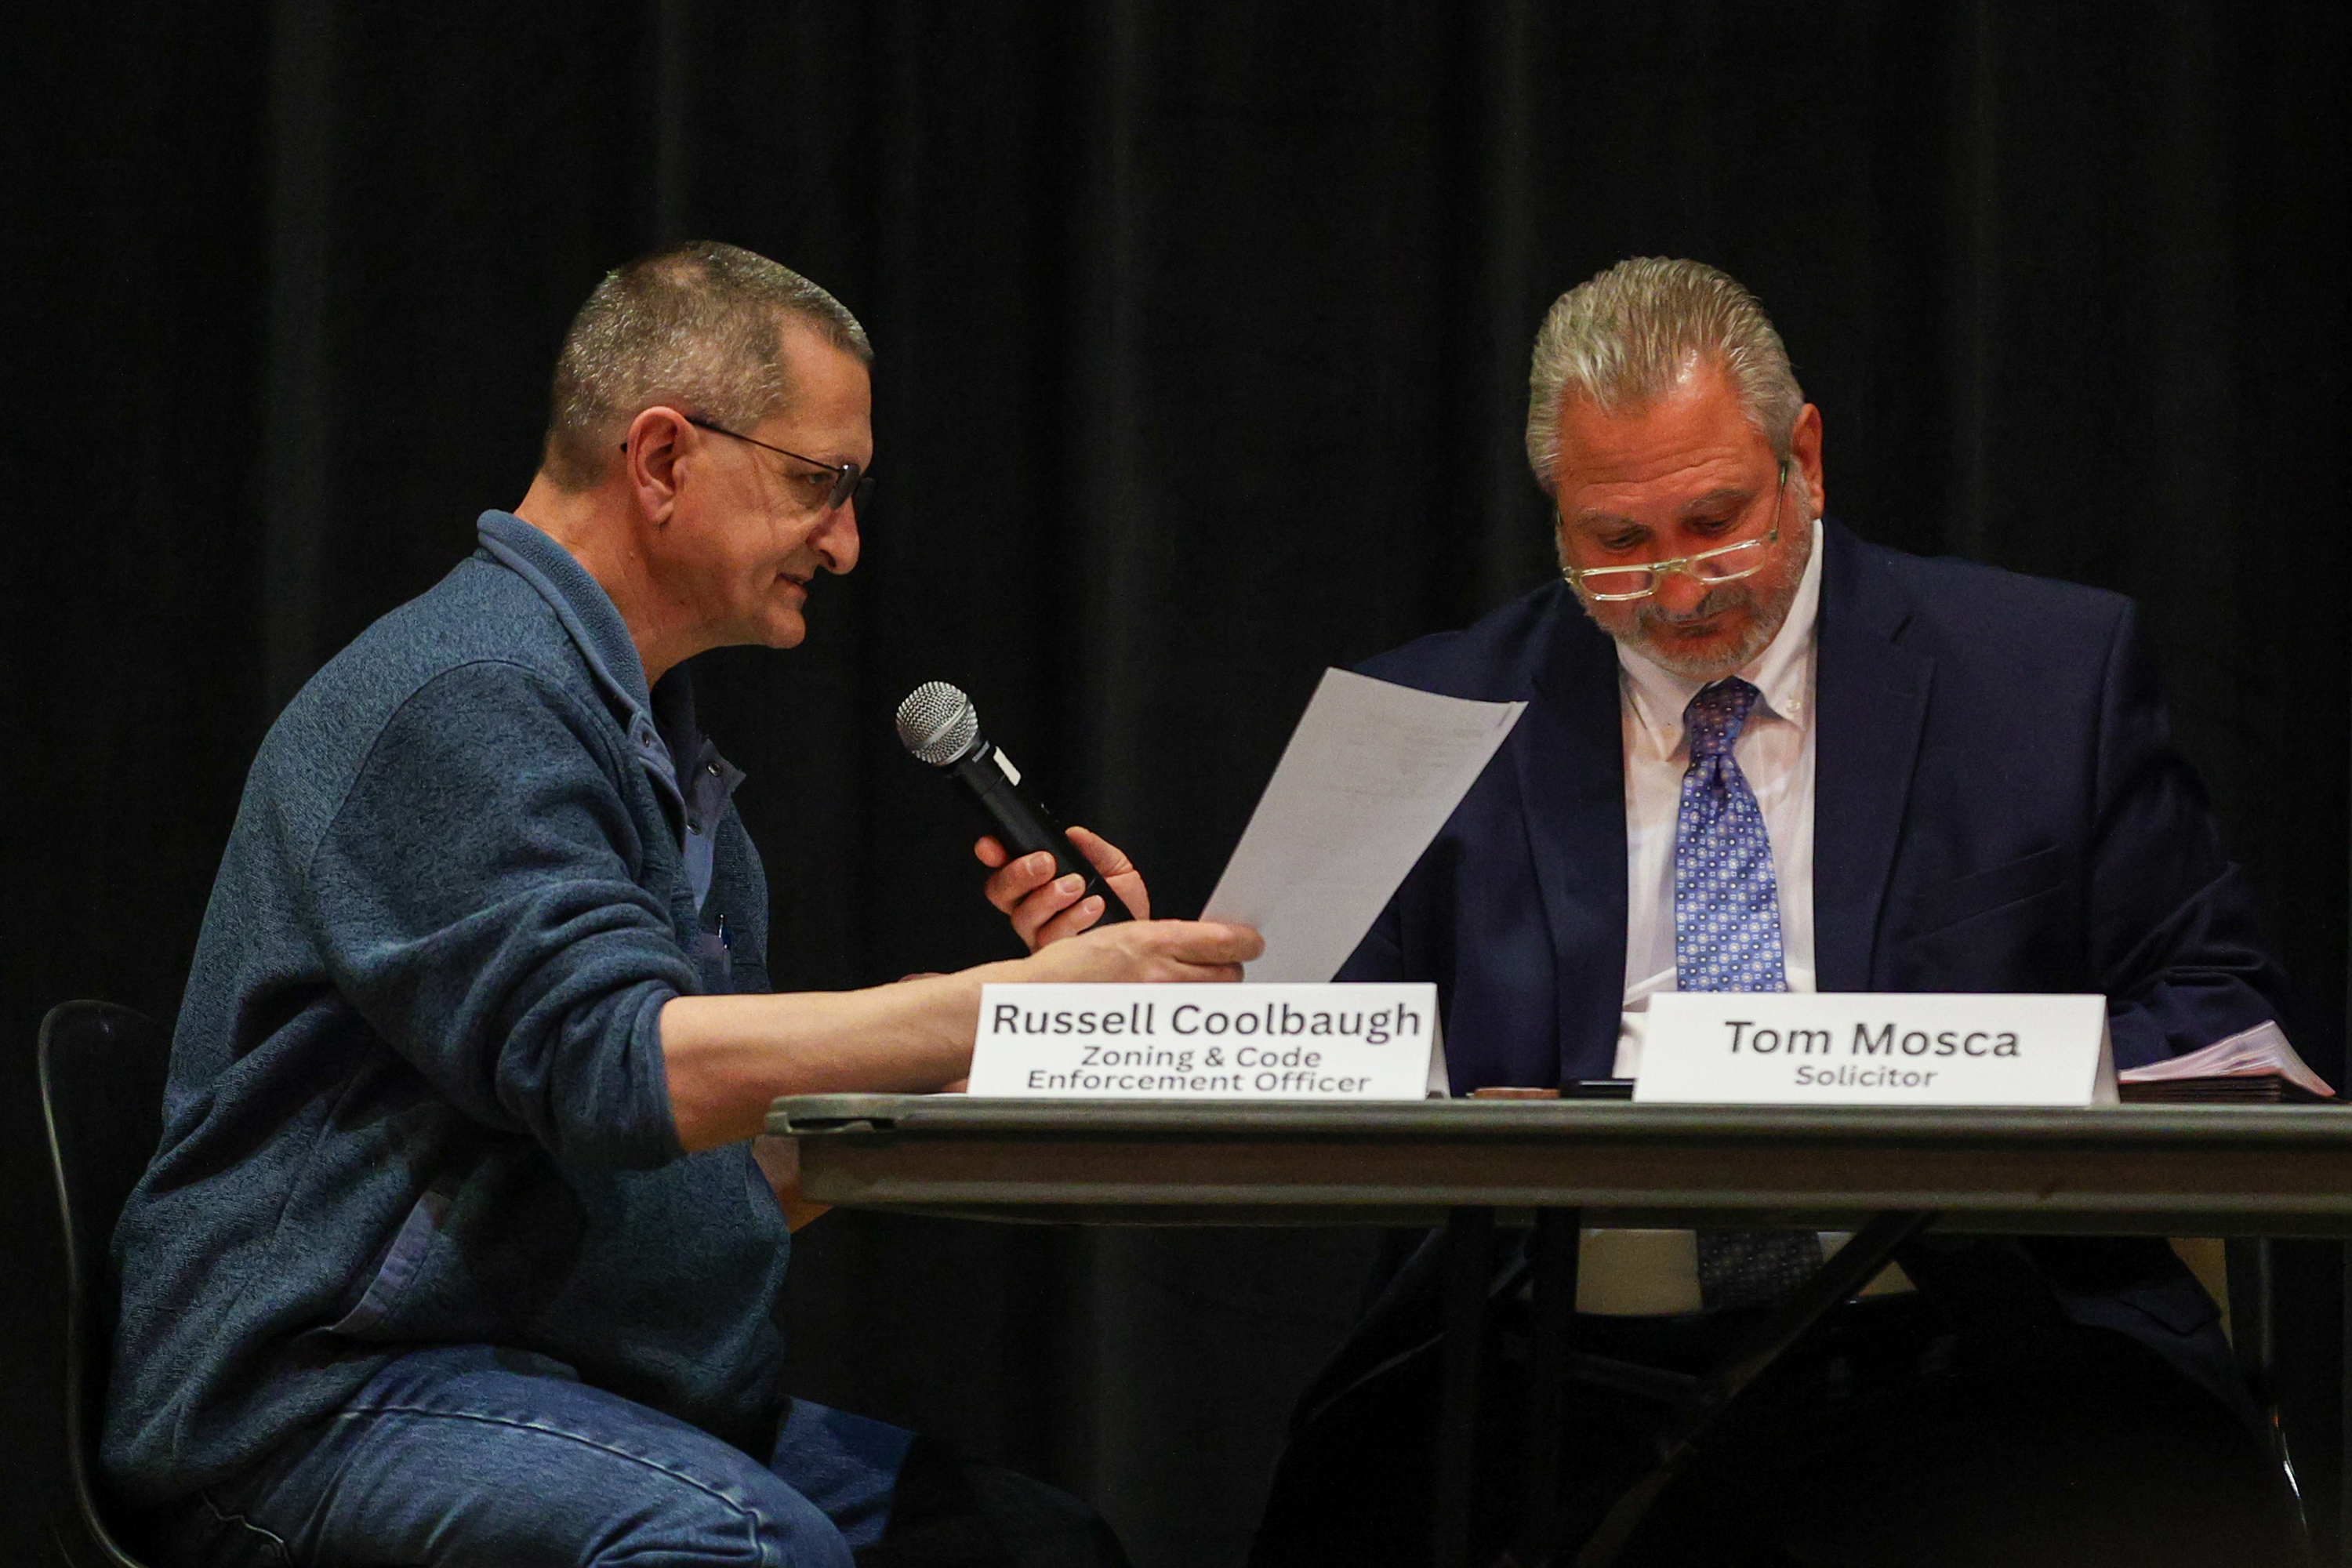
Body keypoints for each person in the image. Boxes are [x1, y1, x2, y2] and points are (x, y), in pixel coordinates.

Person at [996, 258, 2309, 1566]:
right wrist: (1151, 991)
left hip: (1978, 1321)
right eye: (1616, 545)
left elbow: (2215, 1005)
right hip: (1555, 1348)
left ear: (1805, 459)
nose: (1678, 592)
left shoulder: (2043, 676)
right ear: (1555, 515)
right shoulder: (1423, 718)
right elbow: (1294, 1043)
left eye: (1716, 523)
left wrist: (1993, 1079)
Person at [104, 241, 1260, 1568]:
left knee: (1032, 1548)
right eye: (820, 483)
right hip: (323, 1403)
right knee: (744, 1550)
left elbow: (724, 1173)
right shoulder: (465, 696)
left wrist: (1049, 1039)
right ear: (661, 458)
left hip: (566, 1388)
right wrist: (1000, 1005)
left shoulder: (650, 751)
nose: (846, 540)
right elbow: (616, 1069)